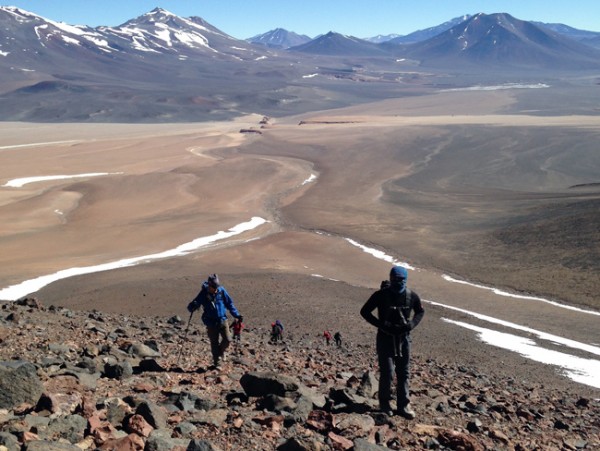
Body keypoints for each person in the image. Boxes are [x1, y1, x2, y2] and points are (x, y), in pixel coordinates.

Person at [360, 266, 424, 419]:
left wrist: (411, 325)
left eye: (401, 279)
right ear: (390, 278)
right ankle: (385, 404)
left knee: (403, 373)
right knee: (387, 372)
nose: (397, 282)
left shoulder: (411, 296)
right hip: (385, 339)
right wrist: (382, 325)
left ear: (406, 280)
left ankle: (403, 406)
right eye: (394, 279)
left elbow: (420, 311)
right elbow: (365, 311)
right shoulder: (381, 295)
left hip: (404, 339)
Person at [187, 274, 243, 369]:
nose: (215, 289)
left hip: (222, 319)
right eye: (214, 287)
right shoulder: (204, 293)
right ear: (209, 285)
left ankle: (219, 353)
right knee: (214, 342)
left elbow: (229, 303)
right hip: (210, 322)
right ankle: (217, 363)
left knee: (228, 339)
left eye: (216, 286)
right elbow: (192, 306)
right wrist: (192, 306)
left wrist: (236, 315)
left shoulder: (221, 291)